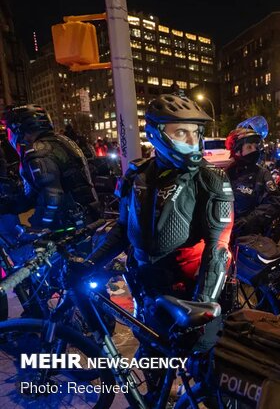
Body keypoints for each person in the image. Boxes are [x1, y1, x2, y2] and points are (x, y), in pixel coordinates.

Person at [73, 94, 233, 353]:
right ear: (155, 134)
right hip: (145, 287)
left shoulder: (210, 178)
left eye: (196, 132)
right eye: (182, 132)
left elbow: (219, 248)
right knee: (153, 364)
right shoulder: (137, 174)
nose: (193, 141)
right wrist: (91, 262)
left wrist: (202, 306)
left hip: (188, 293)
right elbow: (124, 229)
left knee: (202, 376)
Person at [0, 104, 99, 229]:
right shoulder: (64, 141)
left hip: (66, 228)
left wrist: (41, 228)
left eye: (8, 130)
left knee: (21, 245)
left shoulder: (37, 152)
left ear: (19, 129)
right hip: (88, 216)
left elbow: (52, 197)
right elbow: (35, 193)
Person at [225, 125, 280, 240]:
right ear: (237, 150)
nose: (255, 151)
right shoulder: (228, 173)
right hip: (226, 235)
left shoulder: (262, 174)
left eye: (256, 147)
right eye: (249, 147)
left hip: (251, 238)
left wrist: (249, 221)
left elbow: (273, 202)